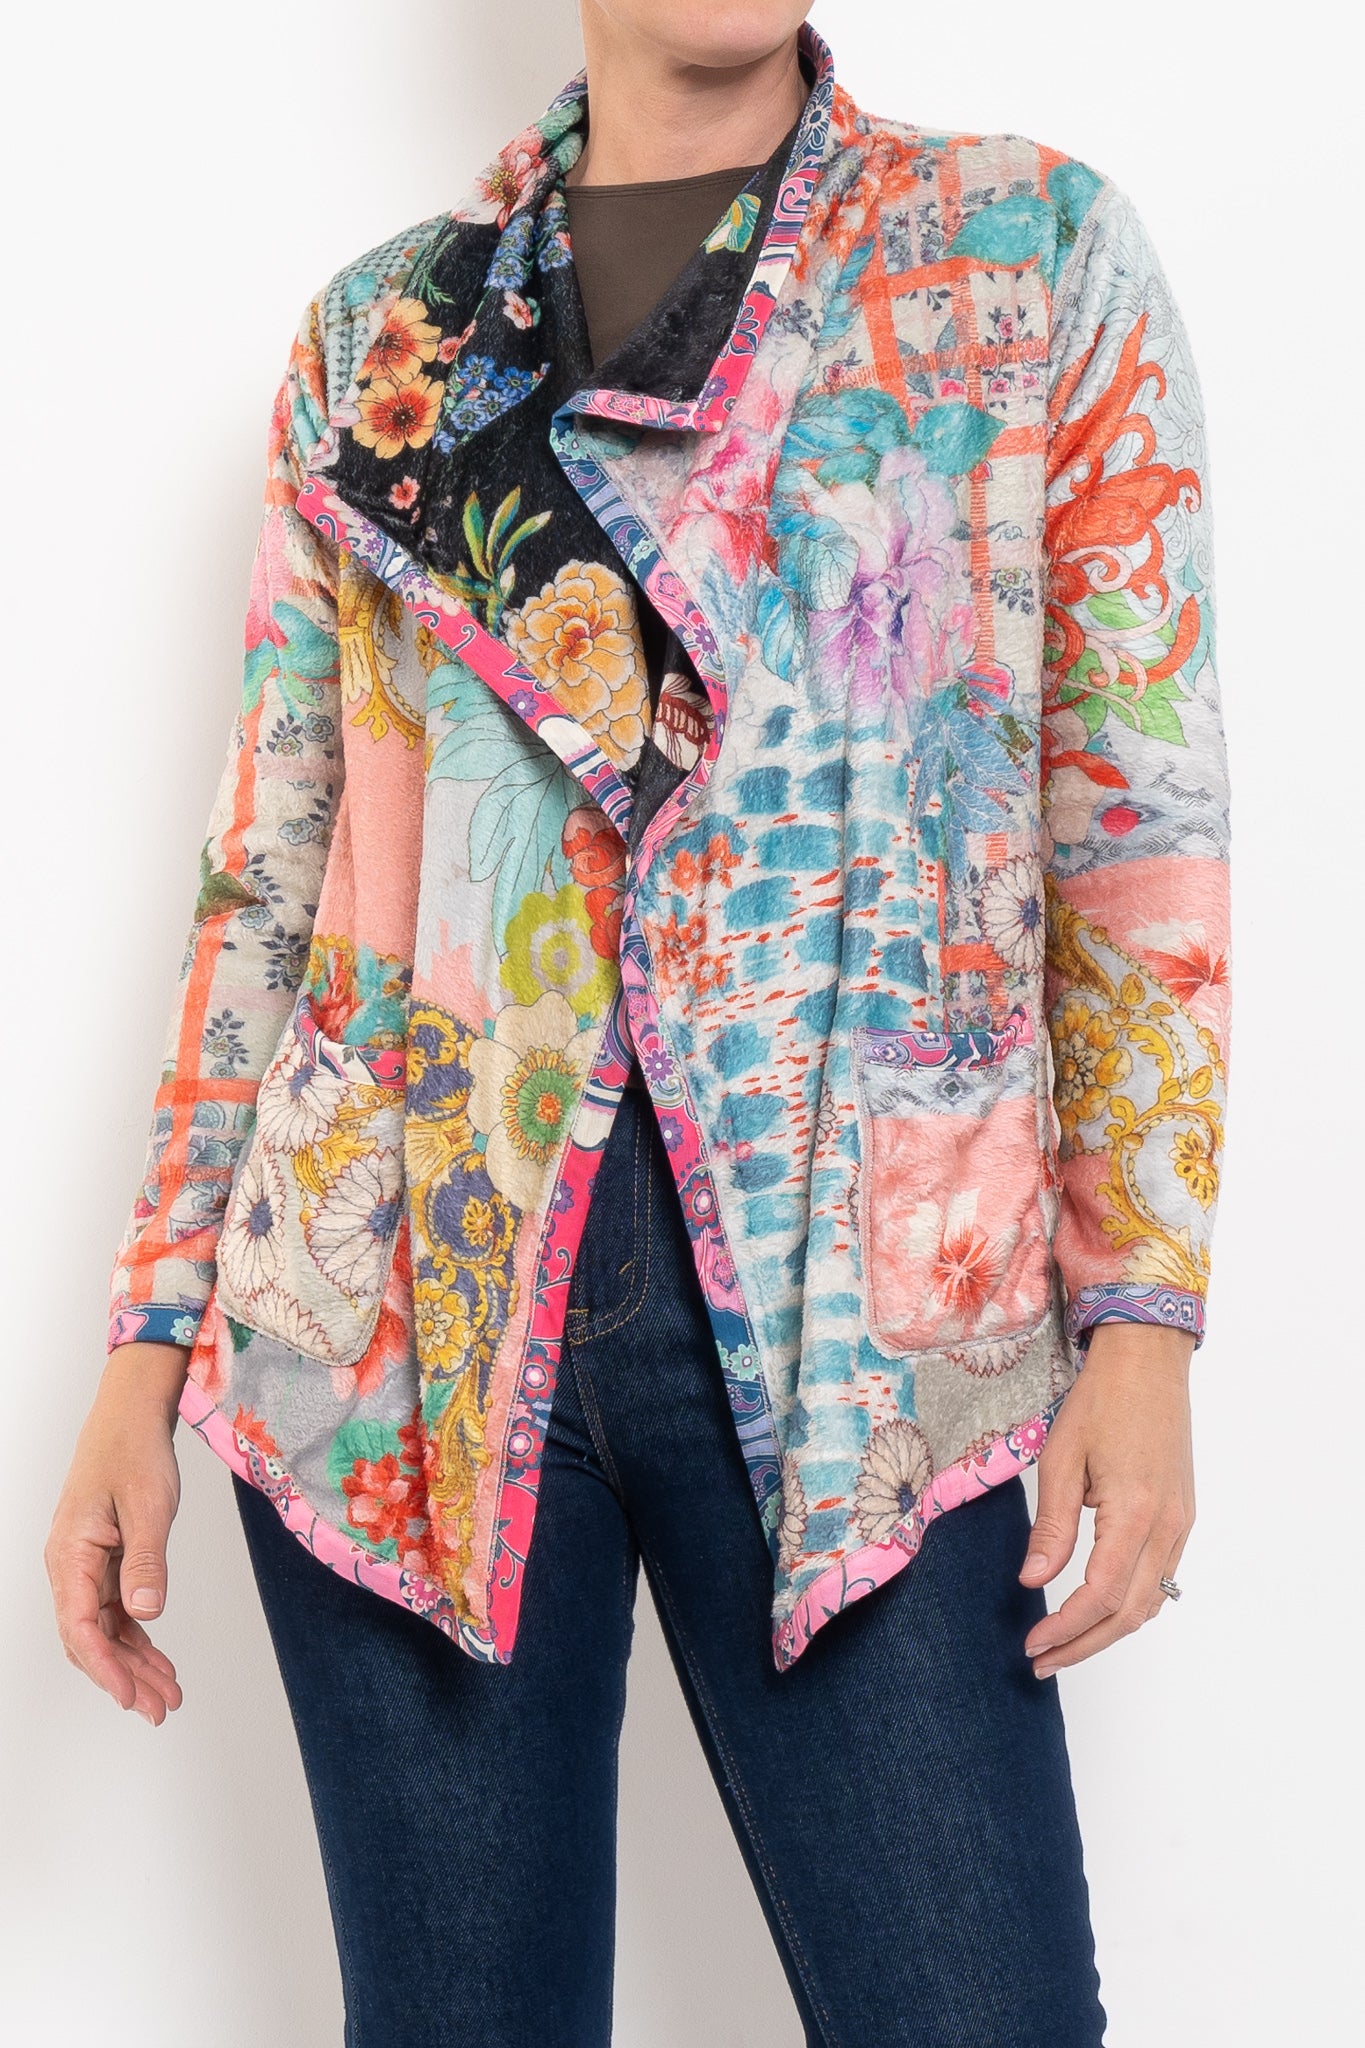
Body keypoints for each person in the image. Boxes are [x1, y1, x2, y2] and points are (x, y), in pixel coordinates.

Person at [47, 5, 1229, 2042]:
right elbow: (272, 863)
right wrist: (143, 1350)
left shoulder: (1018, 252)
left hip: (863, 1326)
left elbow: (1130, 809)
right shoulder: (385, 335)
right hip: (402, 1315)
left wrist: (1142, 1314)